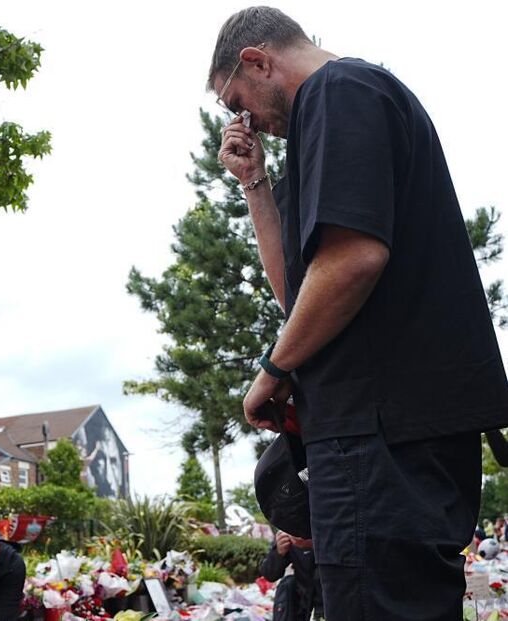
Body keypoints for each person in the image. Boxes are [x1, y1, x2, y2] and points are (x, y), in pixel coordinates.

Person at [209, 7, 508, 620]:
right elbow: (301, 294)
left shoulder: (339, 92)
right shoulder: (342, 108)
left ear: (258, 60)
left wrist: (274, 370)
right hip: (394, 432)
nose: (246, 122)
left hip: (381, 436)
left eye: (237, 101)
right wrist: (255, 184)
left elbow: (351, 262)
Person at [260, 530, 324, 621]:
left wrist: (313, 544)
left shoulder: (334, 524)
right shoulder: (292, 528)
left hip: (334, 603)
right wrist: (279, 551)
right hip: (303, 605)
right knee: (288, 583)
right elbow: (270, 574)